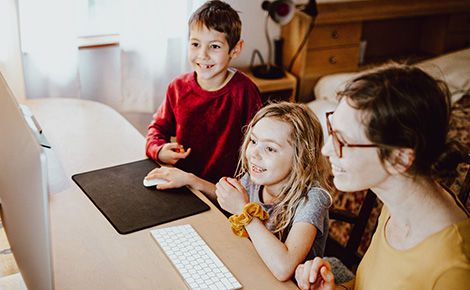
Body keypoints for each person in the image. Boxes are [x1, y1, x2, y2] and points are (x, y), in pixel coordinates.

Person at [295, 63, 470, 290]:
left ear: (399, 159)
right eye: (332, 130)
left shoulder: (453, 269)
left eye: (343, 141)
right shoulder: (395, 203)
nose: (326, 150)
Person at [145, 0, 262, 204]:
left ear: (235, 49)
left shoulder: (244, 92)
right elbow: (156, 130)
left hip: (226, 197)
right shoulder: (178, 88)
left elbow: (259, 144)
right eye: (195, 44)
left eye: (214, 46)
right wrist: (160, 150)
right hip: (183, 189)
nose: (202, 55)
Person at [215, 102, 333, 281]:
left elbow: (284, 267)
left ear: (301, 158)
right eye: (253, 141)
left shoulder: (313, 200)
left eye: (270, 149)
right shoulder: (258, 177)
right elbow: (231, 198)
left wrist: (242, 211)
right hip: (254, 268)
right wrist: (191, 180)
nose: (254, 153)